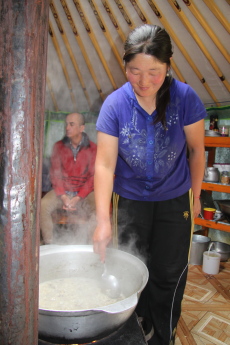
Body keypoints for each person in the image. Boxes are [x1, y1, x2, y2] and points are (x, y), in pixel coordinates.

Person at [93, 24, 206, 345]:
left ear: (168, 65)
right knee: (128, 269)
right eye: (134, 71)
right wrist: (102, 220)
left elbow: (197, 151)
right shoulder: (115, 105)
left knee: (168, 275)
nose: (144, 81)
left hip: (175, 200)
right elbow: (104, 164)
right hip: (129, 201)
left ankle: (163, 336)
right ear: (125, 66)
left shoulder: (185, 98)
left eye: (154, 72)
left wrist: (195, 195)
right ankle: (135, 331)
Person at [40, 112, 97, 244]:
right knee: (43, 206)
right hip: (63, 192)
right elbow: (56, 174)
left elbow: (92, 178)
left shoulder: (93, 149)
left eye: (71, 124)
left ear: (82, 128)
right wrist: (64, 196)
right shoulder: (58, 147)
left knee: (100, 208)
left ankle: (88, 245)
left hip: (84, 194)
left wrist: (78, 197)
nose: (67, 128)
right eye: (66, 124)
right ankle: (50, 244)